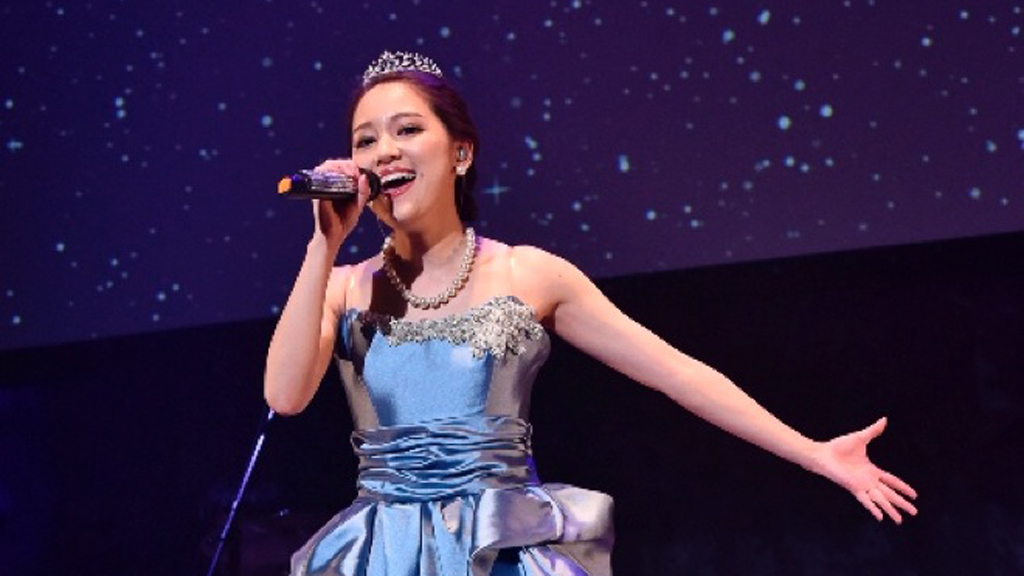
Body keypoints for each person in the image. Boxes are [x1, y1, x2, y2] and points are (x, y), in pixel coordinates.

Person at [264, 51, 918, 576]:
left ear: (461, 152)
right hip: (385, 554)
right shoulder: (343, 285)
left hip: (500, 549)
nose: (384, 151)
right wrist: (324, 244)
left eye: (407, 130)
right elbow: (284, 396)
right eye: (365, 140)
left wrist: (813, 453)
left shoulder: (527, 274)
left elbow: (676, 372)